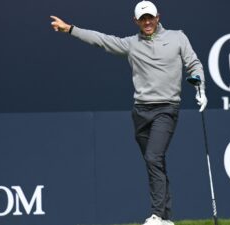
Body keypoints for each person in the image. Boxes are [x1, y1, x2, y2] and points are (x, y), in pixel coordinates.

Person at [50, 1, 207, 225]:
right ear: (136, 22)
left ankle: (157, 215)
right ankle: (167, 219)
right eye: (143, 19)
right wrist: (71, 29)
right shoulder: (131, 44)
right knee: (155, 163)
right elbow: (101, 40)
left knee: (154, 157)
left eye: (150, 17)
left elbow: (194, 64)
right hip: (141, 112)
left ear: (158, 17)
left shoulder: (178, 37)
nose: (148, 22)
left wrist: (200, 86)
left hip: (166, 108)